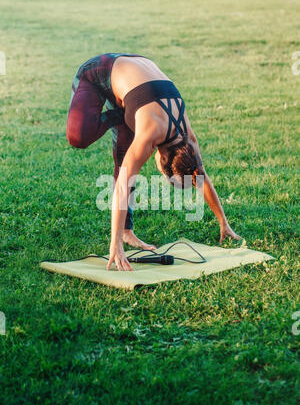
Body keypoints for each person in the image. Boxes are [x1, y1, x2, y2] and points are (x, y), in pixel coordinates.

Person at [67, 53, 241, 271]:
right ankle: (118, 116)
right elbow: (122, 185)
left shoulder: (187, 138)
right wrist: (115, 246)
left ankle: (127, 230)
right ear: (162, 160)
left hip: (140, 70)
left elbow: (200, 175)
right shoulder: (150, 134)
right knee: (78, 137)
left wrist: (223, 223)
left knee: (125, 160)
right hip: (100, 70)